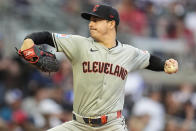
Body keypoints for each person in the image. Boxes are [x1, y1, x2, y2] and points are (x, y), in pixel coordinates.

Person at [19, 4, 178, 131]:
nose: (91, 24)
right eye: (90, 20)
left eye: (96, 20)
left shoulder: (128, 52)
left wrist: (165, 64)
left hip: (112, 125)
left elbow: (150, 60)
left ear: (111, 23)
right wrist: (28, 40)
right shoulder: (79, 44)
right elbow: (47, 36)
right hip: (78, 125)